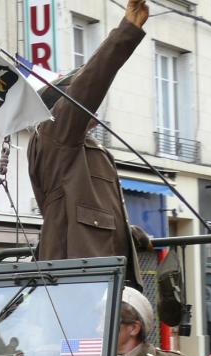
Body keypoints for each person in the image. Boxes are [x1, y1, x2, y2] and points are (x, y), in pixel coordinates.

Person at [28, 0, 149, 288]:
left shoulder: (84, 148)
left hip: (102, 278)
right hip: (81, 283)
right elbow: (90, 85)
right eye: (74, 94)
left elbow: (85, 215)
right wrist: (126, 32)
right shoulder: (54, 135)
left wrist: (127, 234)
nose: (91, 104)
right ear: (60, 107)